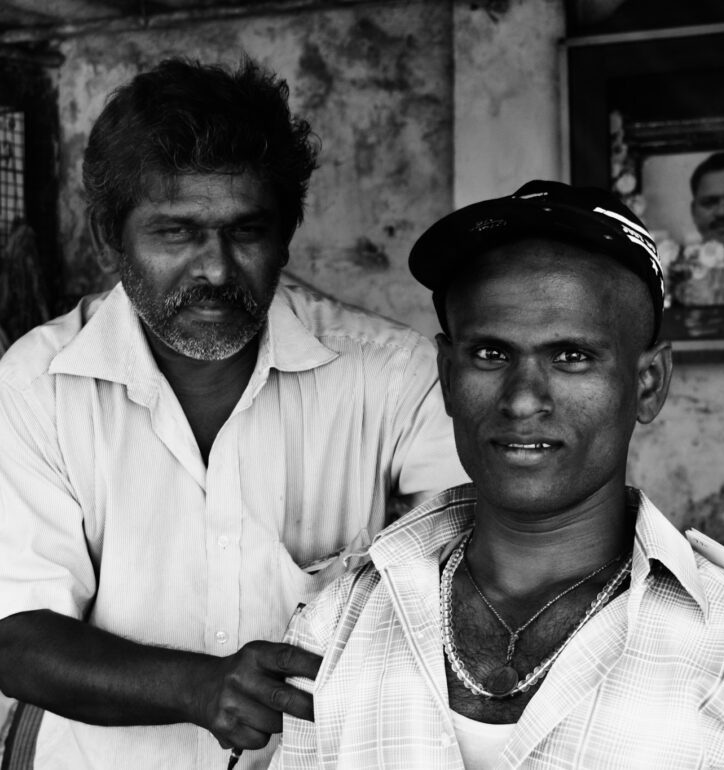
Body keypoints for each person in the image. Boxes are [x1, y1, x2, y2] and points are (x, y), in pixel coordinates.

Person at [0, 57, 467, 769]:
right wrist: (200, 687)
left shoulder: (390, 376)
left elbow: (471, 576)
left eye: (245, 232)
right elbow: (17, 637)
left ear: (286, 234)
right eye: (177, 233)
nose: (215, 269)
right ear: (108, 238)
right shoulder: (37, 385)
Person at [272, 181, 724, 769]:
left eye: (572, 356)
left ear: (648, 383)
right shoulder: (343, 617)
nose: (523, 399)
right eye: (490, 354)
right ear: (449, 376)